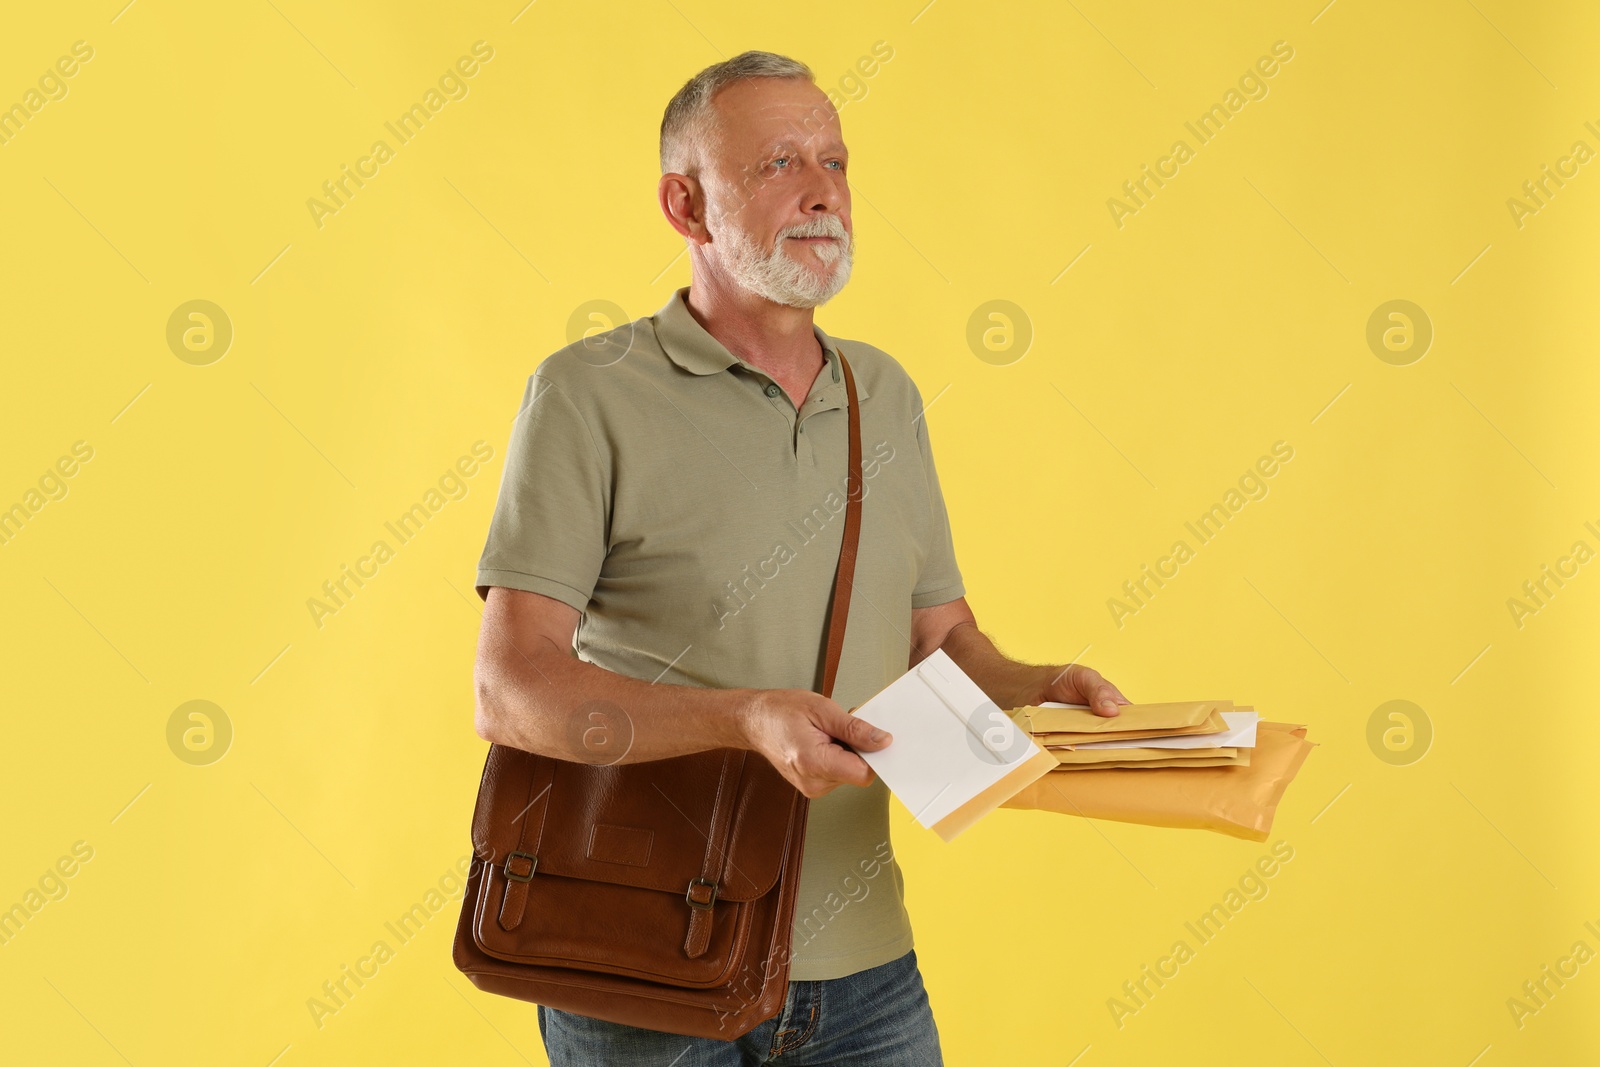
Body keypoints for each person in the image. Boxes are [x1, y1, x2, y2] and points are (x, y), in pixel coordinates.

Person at [471, 49, 1131, 1066]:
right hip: (642, 960)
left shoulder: (885, 394)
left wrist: (1033, 684)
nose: (823, 191)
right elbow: (511, 691)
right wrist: (744, 714)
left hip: (863, 969)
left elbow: (937, 638)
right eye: (778, 163)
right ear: (685, 206)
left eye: (834, 159)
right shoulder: (587, 393)